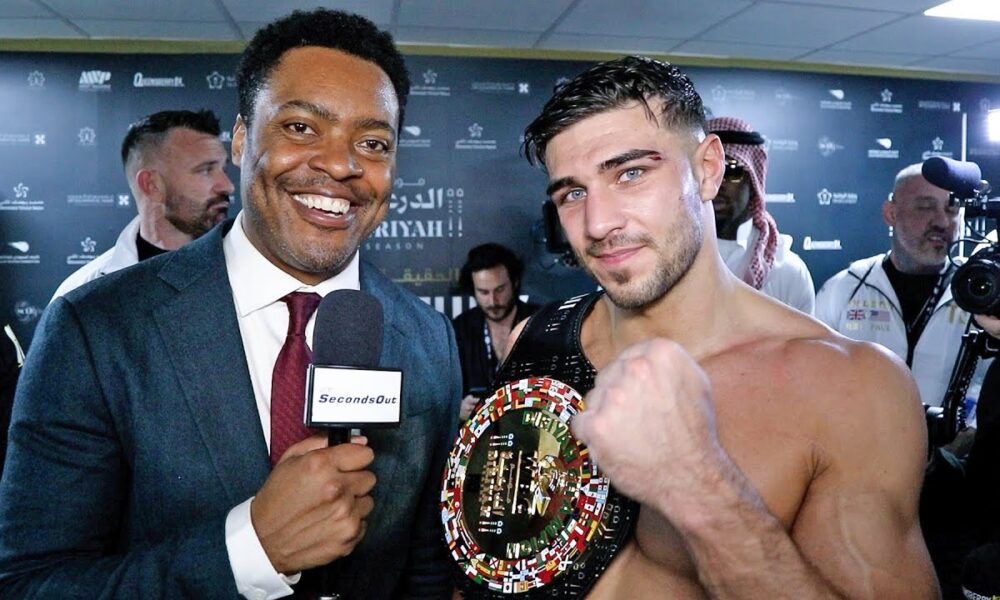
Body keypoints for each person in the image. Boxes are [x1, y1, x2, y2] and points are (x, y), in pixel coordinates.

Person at [0, 8, 460, 600]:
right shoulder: (98, 328)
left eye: (372, 142)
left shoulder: (427, 338)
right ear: (242, 140)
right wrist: (249, 550)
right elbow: (31, 585)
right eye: (301, 128)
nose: (342, 165)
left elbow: (423, 569)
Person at [507, 55, 936, 597]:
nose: (598, 224)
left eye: (631, 173)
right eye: (573, 193)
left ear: (708, 169)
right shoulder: (536, 339)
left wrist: (699, 488)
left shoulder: (851, 388)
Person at [815, 163, 983, 422]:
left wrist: (965, 436)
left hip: (952, 456)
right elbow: (816, 379)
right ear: (891, 213)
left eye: (952, 208)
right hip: (861, 452)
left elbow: (987, 382)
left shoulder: (978, 292)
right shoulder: (845, 287)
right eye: (925, 206)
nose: (941, 221)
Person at [51, 109, 235, 298]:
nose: (228, 186)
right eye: (205, 170)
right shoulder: (81, 295)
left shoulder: (250, 274)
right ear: (152, 185)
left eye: (223, 169)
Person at [706, 116, 815, 314]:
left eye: (731, 170)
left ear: (754, 179)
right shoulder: (673, 257)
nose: (717, 182)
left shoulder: (787, 272)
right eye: (708, 169)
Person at [452, 243, 538, 419]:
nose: (493, 301)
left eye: (500, 289)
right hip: (479, 437)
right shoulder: (461, 328)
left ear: (514, 283)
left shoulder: (540, 322)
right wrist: (458, 410)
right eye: (483, 292)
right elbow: (445, 392)